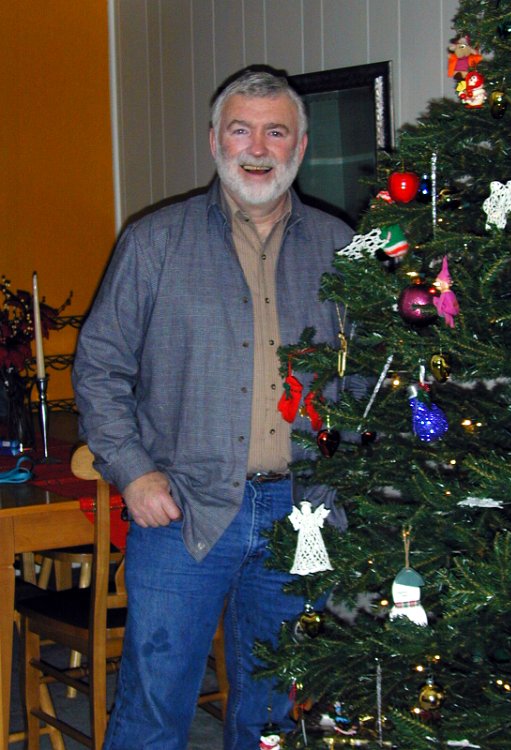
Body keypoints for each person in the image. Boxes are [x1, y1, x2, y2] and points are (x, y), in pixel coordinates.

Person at [72, 65, 353, 750]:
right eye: (240, 130)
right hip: (180, 509)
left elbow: (363, 378)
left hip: (302, 511)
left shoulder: (340, 247)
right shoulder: (154, 242)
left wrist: (348, 482)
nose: (257, 148)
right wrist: (134, 473)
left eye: (275, 132)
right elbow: (100, 366)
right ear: (214, 141)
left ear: (300, 145)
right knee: (153, 708)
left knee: (274, 712)